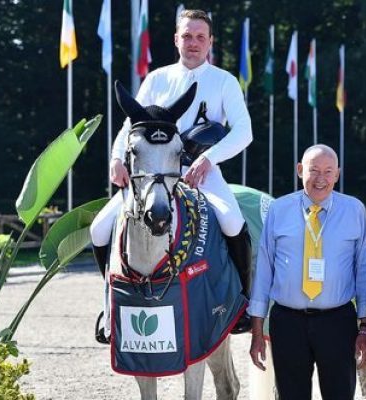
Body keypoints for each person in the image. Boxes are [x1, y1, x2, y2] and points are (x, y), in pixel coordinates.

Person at [90, 10, 254, 333]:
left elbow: (244, 131)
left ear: (210, 42)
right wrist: (116, 158)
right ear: (176, 39)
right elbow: (130, 124)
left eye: (200, 37)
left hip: (200, 173)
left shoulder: (224, 81)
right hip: (151, 177)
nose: (193, 43)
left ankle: (242, 303)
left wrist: (210, 159)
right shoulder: (156, 79)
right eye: (187, 36)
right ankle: (110, 305)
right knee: (98, 229)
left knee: (233, 222)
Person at [248, 144, 366, 399]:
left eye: (328, 172)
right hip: (287, 322)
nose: (321, 179)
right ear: (299, 170)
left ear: (337, 174)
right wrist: (258, 330)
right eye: (313, 170)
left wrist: (364, 327)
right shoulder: (279, 209)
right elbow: (264, 270)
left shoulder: (354, 210)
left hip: (338, 322)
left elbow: (363, 270)